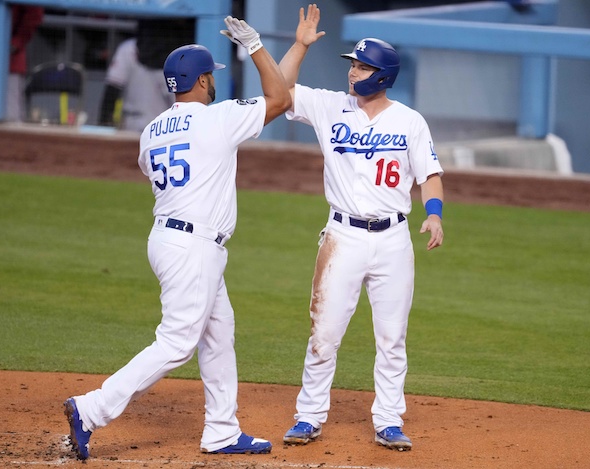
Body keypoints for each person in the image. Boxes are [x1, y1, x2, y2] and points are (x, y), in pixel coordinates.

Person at [62, 15, 291, 461]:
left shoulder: (151, 131)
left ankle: (222, 431)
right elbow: (279, 98)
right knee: (177, 343)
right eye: (212, 77)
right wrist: (255, 45)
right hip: (194, 248)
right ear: (203, 80)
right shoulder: (219, 118)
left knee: (219, 334)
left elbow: (153, 171)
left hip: (169, 241)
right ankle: (91, 409)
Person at [279, 4, 444, 452]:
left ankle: (389, 421)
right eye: (352, 64)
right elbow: (279, 89)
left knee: (392, 338)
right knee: (324, 333)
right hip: (343, 238)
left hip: (393, 240)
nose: (353, 73)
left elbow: (429, 173)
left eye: (363, 66)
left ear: (383, 75)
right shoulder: (332, 107)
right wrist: (300, 44)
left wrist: (434, 213)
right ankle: (308, 416)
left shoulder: (410, 121)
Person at [98, 18, 195, 132]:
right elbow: (112, 90)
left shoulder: (177, 58)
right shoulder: (129, 49)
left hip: (153, 126)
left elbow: (111, 92)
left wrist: (103, 124)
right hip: (153, 128)